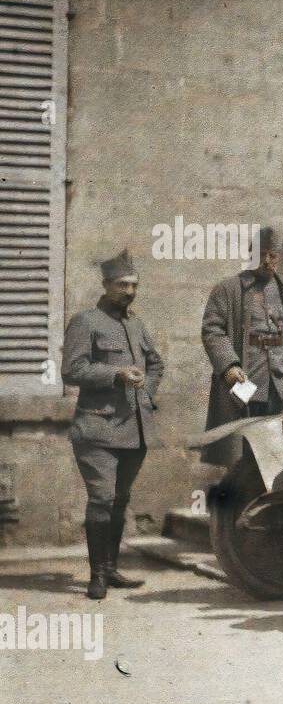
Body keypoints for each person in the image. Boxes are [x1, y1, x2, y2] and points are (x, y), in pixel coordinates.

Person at [61, 251, 164, 599]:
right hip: (97, 428)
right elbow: (72, 370)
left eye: (134, 285)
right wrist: (115, 374)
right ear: (105, 285)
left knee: (120, 500)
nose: (129, 291)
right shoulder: (86, 321)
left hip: (134, 429)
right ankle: (96, 575)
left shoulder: (136, 324)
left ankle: (112, 568)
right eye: (122, 285)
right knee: (102, 499)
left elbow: (155, 364)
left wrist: (146, 394)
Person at [200, 228, 283, 468]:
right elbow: (212, 330)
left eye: (272, 256)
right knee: (241, 453)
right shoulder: (228, 289)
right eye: (261, 255)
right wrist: (229, 366)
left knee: (278, 450)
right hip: (245, 380)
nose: (267, 262)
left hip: (281, 383)